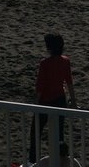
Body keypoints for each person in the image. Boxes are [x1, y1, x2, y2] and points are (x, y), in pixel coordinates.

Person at [29, 33, 77, 164]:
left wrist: (35, 103)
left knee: (35, 133)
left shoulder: (45, 63)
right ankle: (61, 159)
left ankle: (32, 161)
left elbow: (40, 85)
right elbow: (69, 82)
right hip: (60, 100)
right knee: (59, 134)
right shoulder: (65, 61)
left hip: (45, 101)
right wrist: (73, 101)